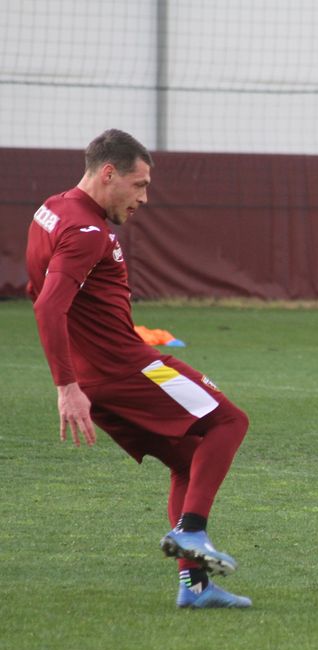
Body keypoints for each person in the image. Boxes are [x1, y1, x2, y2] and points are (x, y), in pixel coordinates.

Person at [26, 129, 252, 608]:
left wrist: (78, 375)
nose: (144, 199)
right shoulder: (87, 232)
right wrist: (66, 386)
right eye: (140, 185)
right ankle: (192, 531)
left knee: (188, 461)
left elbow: (37, 292)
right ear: (109, 174)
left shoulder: (50, 211)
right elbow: (48, 305)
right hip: (128, 368)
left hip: (98, 379)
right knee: (230, 421)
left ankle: (195, 588)